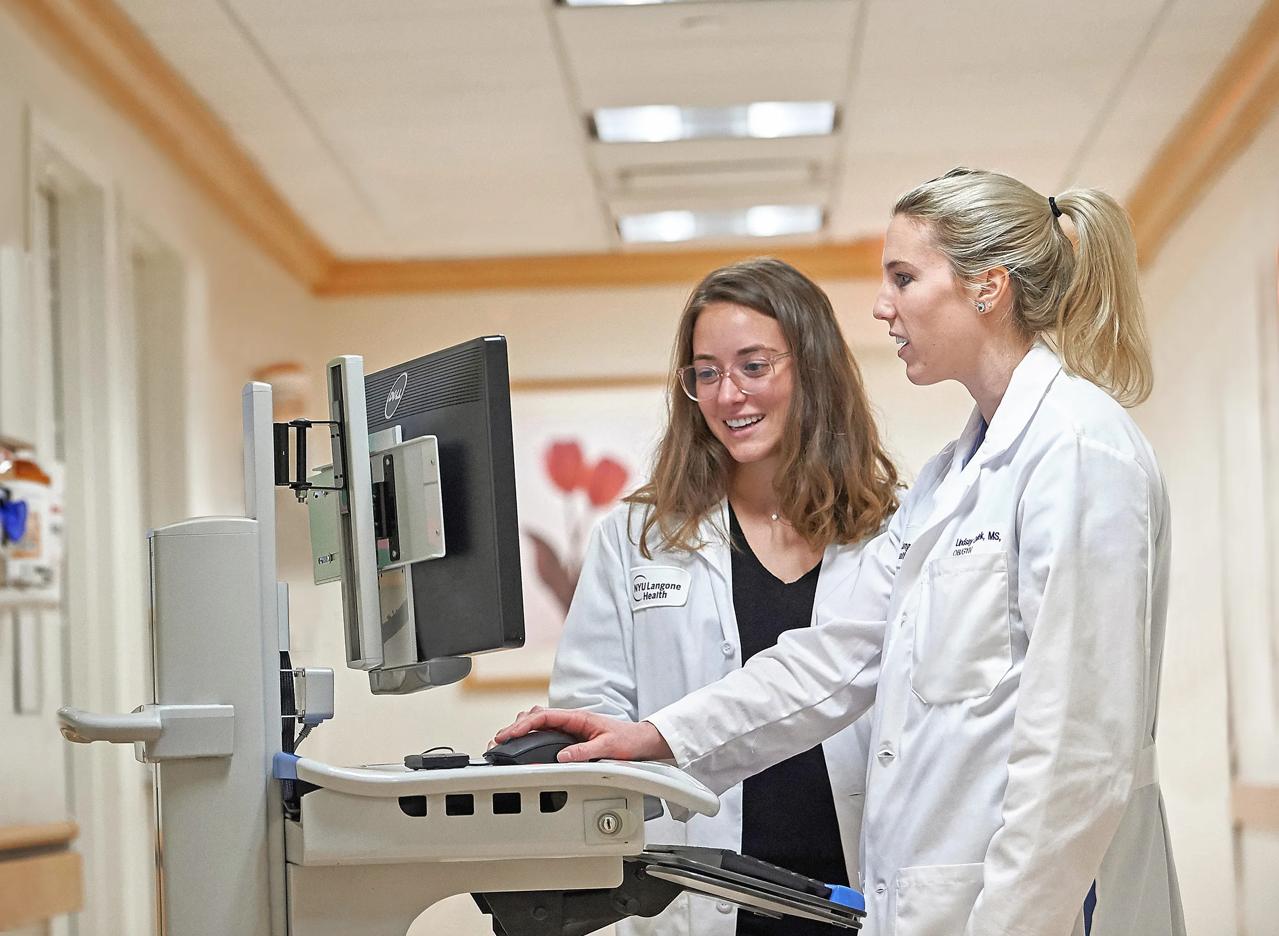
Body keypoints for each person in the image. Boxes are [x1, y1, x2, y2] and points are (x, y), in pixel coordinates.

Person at [497, 169, 1185, 936]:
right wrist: (658, 737)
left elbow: (1079, 754)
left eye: (902, 278)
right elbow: (838, 654)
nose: (882, 306)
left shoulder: (1078, 451)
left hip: (1037, 908)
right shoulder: (950, 481)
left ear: (986, 287)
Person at [545, 258, 899, 936]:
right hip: (692, 897)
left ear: (812, 368)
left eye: (753, 366)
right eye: (705, 372)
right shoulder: (639, 535)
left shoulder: (891, 532)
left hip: (854, 894)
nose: (727, 394)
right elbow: (591, 716)